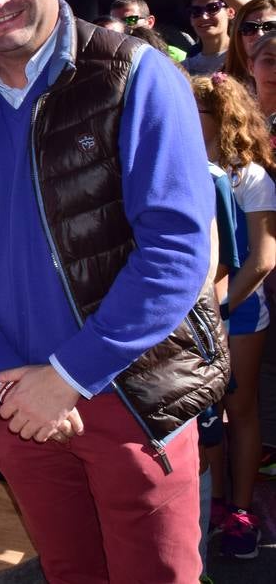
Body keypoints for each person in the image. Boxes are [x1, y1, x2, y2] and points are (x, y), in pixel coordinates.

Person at [0, 0, 226, 582]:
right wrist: (4, 382)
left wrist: (69, 376)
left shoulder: (137, 77)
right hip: (15, 402)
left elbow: (176, 254)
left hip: (134, 399)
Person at [191, 72, 275, 558]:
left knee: (239, 412)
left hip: (238, 315)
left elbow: (263, 257)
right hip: (202, 317)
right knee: (206, 414)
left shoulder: (249, 176)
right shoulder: (180, 165)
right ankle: (215, 499)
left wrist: (218, 309)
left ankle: (241, 509)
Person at [175, 0, 248, 76]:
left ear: (231, 12)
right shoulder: (183, 69)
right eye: (196, 11)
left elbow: (256, 10)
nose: (204, 16)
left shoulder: (248, 56)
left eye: (212, 8)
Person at [224, 0, 276, 89]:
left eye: (270, 27)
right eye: (249, 28)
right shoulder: (223, 84)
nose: (260, 34)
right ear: (239, 37)